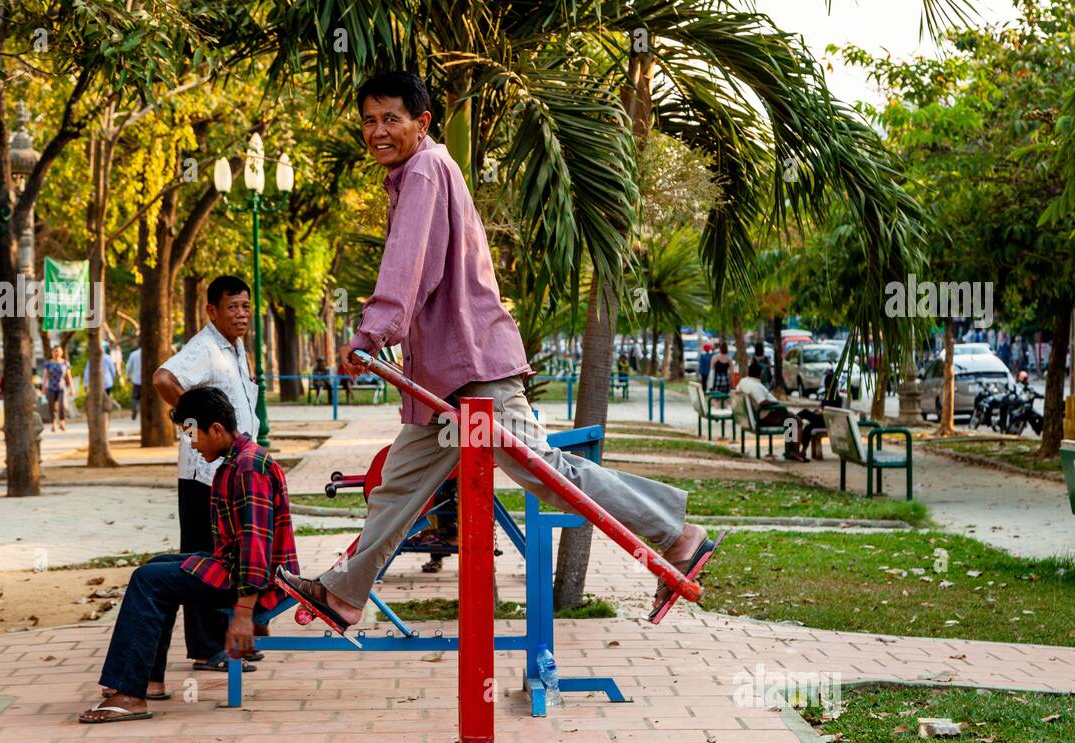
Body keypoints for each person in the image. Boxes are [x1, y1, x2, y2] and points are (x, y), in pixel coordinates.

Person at [274, 70, 719, 629]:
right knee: (400, 488)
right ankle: (343, 594)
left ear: (422, 123)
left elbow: (409, 267)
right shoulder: (416, 173)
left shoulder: (426, 171)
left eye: (392, 119)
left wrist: (371, 333)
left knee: (548, 473)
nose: (378, 131)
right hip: (443, 381)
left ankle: (677, 535)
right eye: (369, 120)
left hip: (474, 367)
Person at [80, 387, 297, 723]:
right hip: (237, 568)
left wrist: (245, 613)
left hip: (253, 579)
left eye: (193, 435)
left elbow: (256, 546)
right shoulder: (236, 461)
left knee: (147, 581)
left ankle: (130, 695)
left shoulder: (248, 468)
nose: (192, 445)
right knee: (154, 568)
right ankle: (146, 680)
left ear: (216, 429)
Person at [151, 275, 264, 672]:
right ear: (212, 311)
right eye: (231, 307)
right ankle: (205, 647)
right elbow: (163, 378)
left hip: (230, 474)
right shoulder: (204, 349)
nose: (240, 314)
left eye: (245, 306)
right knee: (201, 557)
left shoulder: (236, 349)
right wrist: (192, 423)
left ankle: (226, 637)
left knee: (225, 555)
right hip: (204, 474)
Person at [736, 360, 806, 462]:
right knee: (796, 421)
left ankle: (790, 450)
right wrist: (776, 404)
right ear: (759, 373)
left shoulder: (744, 382)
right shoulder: (755, 387)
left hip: (760, 415)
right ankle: (794, 451)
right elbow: (762, 402)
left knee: (790, 419)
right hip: (766, 416)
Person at [41, 346, 73, 433]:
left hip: (61, 387)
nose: (56, 353)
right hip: (51, 387)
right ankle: (54, 424)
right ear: (52, 352)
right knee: (52, 406)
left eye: (58, 351)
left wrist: (72, 388)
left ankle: (62, 422)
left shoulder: (65, 363)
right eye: (55, 351)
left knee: (62, 405)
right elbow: (45, 376)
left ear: (61, 352)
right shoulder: (48, 363)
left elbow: (69, 377)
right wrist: (43, 388)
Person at [126, 343, 142, 420]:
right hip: (148, 382)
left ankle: (135, 408)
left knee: (135, 397)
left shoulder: (133, 354)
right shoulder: (151, 353)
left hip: (136, 380)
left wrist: (128, 376)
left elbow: (128, 366)